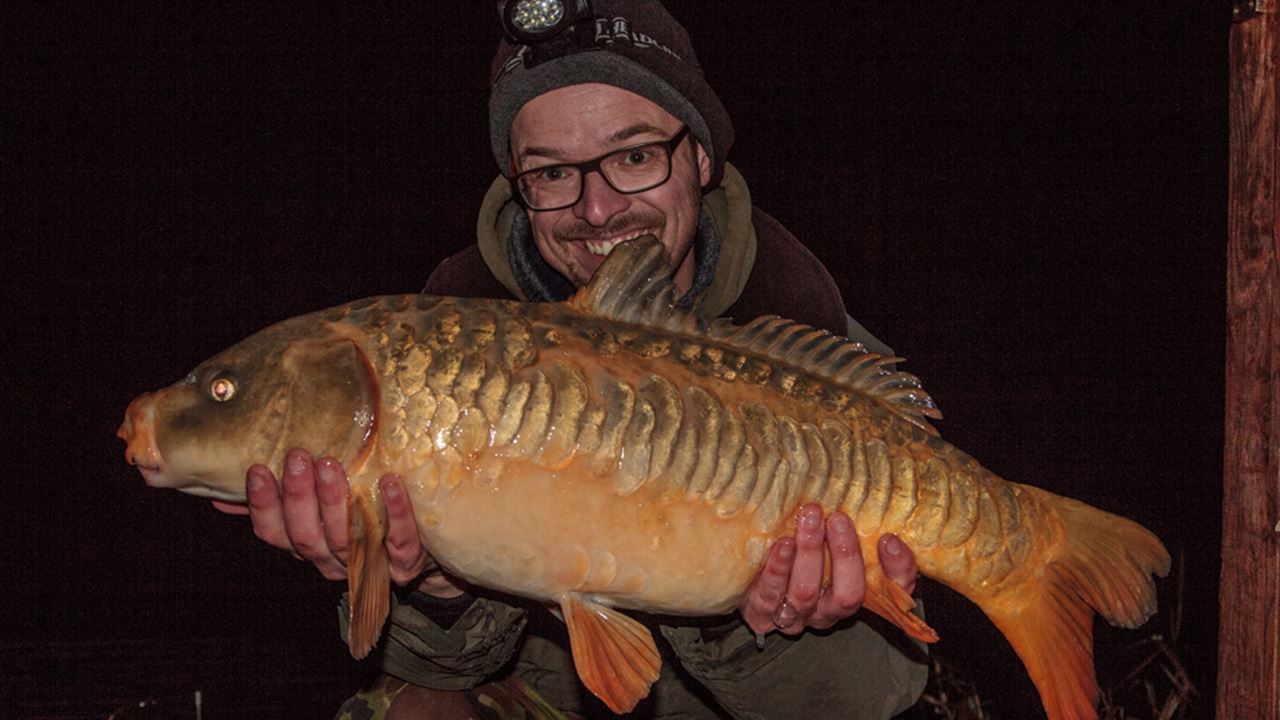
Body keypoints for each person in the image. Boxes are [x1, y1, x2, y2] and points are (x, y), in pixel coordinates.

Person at [217, 2, 929, 717]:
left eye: (635, 156)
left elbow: (868, 700)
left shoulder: (825, 356)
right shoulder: (441, 359)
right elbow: (424, 669)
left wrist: (748, 619)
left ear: (701, 157)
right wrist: (435, 588)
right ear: (518, 186)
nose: (597, 209)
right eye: (553, 172)